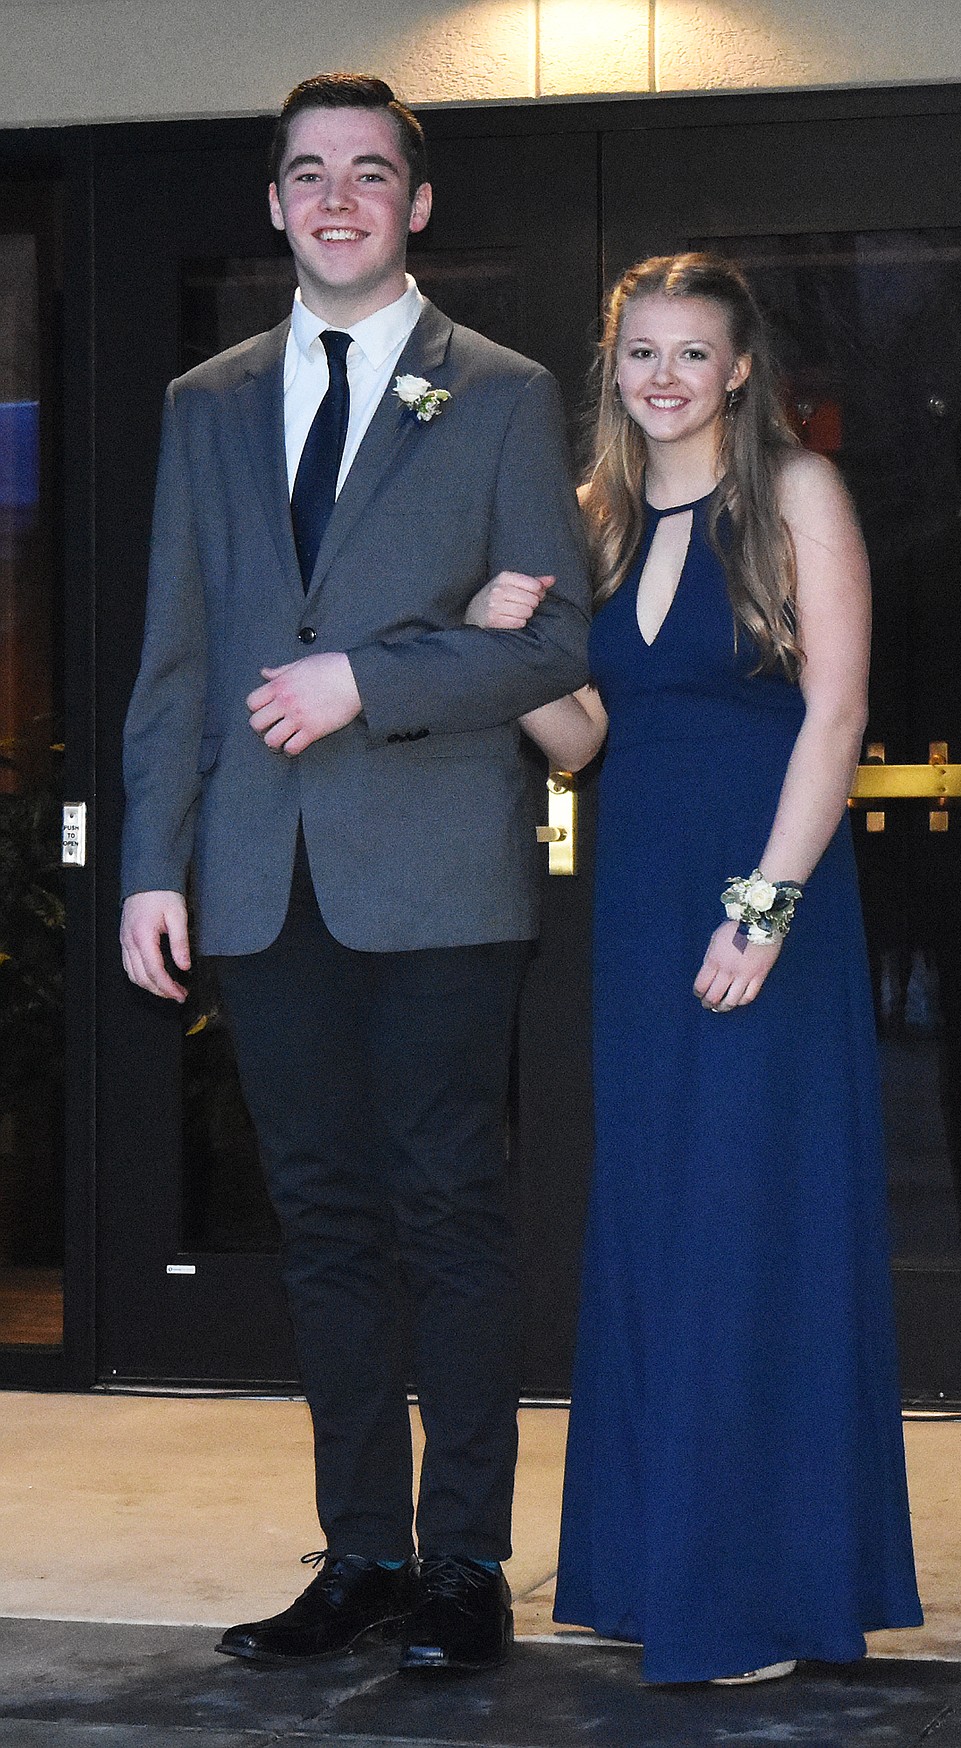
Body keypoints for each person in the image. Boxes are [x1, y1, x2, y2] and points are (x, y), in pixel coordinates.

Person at [119, 72, 590, 1675]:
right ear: (272, 204)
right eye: (308, 173)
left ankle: (463, 1561)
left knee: (448, 1215)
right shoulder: (203, 402)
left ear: (418, 203)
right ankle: (363, 1558)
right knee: (322, 1225)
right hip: (258, 876)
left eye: (370, 174)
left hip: (439, 874)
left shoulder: (509, 395)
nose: (337, 198)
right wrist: (147, 864)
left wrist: (367, 684)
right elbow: (175, 654)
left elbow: (561, 654)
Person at [469, 253, 922, 1683]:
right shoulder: (597, 518)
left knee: (750, 1229)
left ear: (738, 370)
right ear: (615, 369)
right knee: (662, 1232)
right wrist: (512, 657)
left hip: (761, 897)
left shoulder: (795, 494)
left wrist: (766, 907)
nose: (663, 378)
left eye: (691, 354)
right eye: (640, 354)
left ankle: (763, 1593)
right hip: (642, 907)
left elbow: (836, 711)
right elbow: (583, 738)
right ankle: (663, 1574)